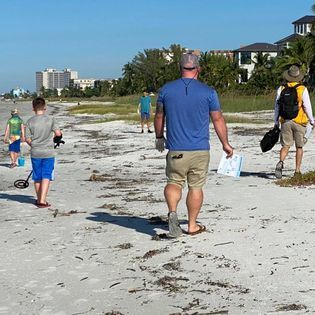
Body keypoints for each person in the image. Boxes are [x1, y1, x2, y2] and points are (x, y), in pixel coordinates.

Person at [154, 53, 233, 238]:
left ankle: (172, 211)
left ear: (179, 68)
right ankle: (191, 225)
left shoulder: (166, 90)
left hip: (176, 149)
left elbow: (159, 116)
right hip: (199, 149)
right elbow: (218, 119)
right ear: (199, 69)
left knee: (174, 182)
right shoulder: (209, 92)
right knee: (195, 187)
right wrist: (226, 144)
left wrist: (159, 136)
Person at [274, 65, 314, 179]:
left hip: (285, 121)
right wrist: (311, 120)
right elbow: (307, 106)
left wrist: (276, 122)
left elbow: (276, 107)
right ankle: (297, 171)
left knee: (285, 146)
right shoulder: (302, 89)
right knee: (299, 147)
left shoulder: (281, 89)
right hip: (299, 122)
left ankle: (281, 162)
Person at [25, 97, 63, 208]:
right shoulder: (51, 119)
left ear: (33, 108)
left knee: (37, 176)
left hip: (35, 152)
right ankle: (42, 200)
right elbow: (58, 133)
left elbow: (27, 138)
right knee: (46, 175)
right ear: (45, 107)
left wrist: (34, 145)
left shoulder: (30, 121)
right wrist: (56, 140)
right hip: (48, 152)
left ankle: (38, 199)